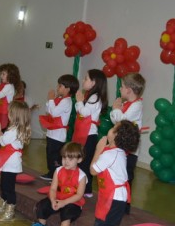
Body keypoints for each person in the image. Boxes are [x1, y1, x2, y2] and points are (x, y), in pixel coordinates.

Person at [87, 120, 140, 226]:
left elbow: (93, 170)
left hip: (114, 197)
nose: (109, 129)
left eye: (112, 128)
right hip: (111, 196)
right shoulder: (116, 152)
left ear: (116, 135)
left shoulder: (110, 153)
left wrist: (98, 149)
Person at [27, 142, 86, 226]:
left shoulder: (82, 176)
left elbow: (79, 195)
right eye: (64, 157)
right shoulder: (58, 170)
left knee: (68, 211)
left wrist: (64, 202)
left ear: (79, 160)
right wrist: (53, 200)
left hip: (73, 201)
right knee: (43, 204)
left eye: (70, 159)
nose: (66, 161)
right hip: (59, 198)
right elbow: (53, 188)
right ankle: (41, 224)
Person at [0, 101, 31, 221]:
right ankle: (2, 205)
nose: (7, 114)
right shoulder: (15, 129)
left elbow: (2, 141)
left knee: (8, 187)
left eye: (9, 112)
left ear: (15, 115)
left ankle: (10, 210)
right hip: (8, 161)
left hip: (11, 163)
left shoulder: (14, 130)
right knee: (4, 185)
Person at [110, 73, 146, 213]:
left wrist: (115, 109)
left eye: (122, 86)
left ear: (129, 90)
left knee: (127, 176)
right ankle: (117, 200)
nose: (120, 89)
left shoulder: (136, 105)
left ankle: (125, 205)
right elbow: (116, 121)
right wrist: (117, 110)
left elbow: (122, 121)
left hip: (130, 149)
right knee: (119, 174)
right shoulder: (127, 104)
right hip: (121, 145)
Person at [73, 69, 108, 197]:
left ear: (94, 82)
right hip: (85, 132)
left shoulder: (95, 97)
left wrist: (78, 101)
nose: (83, 80)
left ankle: (86, 189)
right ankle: (82, 187)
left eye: (86, 78)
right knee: (82, 160)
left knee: (85, 162)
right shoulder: (90, 95)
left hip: (89, 134)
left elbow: (84, 112)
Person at [39, 74, 79, 181]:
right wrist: (50, 100)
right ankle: (51, 172)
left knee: (55, 156)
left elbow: (55, 112)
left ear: (67, 89)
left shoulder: (67, 101)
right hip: (51, 133)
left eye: (60, 86)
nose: (57, 88)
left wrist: (51, 100)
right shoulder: (60, 99)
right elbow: (49, 111)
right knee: (49, 154)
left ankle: (56, 175)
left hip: (58, 135)